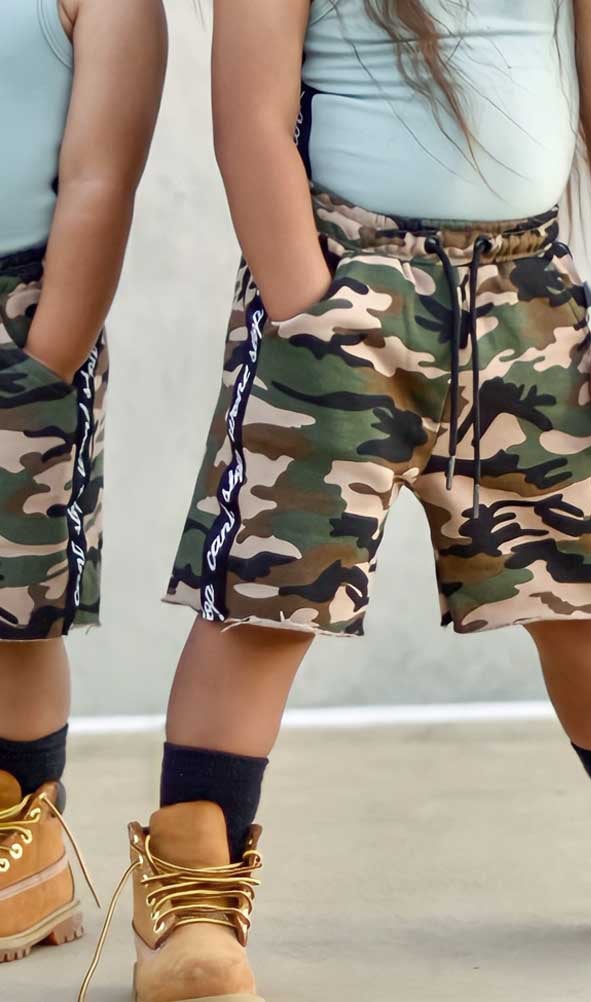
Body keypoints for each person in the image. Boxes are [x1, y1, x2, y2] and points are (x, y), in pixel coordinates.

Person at [81, 1, 591, 1000]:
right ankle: (193, 891)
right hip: (351, 294)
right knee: (265, 603)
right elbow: (249, 118)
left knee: (578, 592)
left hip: (525, 299)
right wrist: (306, 304)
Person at [0, 0, 166, 968]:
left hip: (22, 311)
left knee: (13, 601)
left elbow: (101, 178)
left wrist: (48, 358)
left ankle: (26, 835)